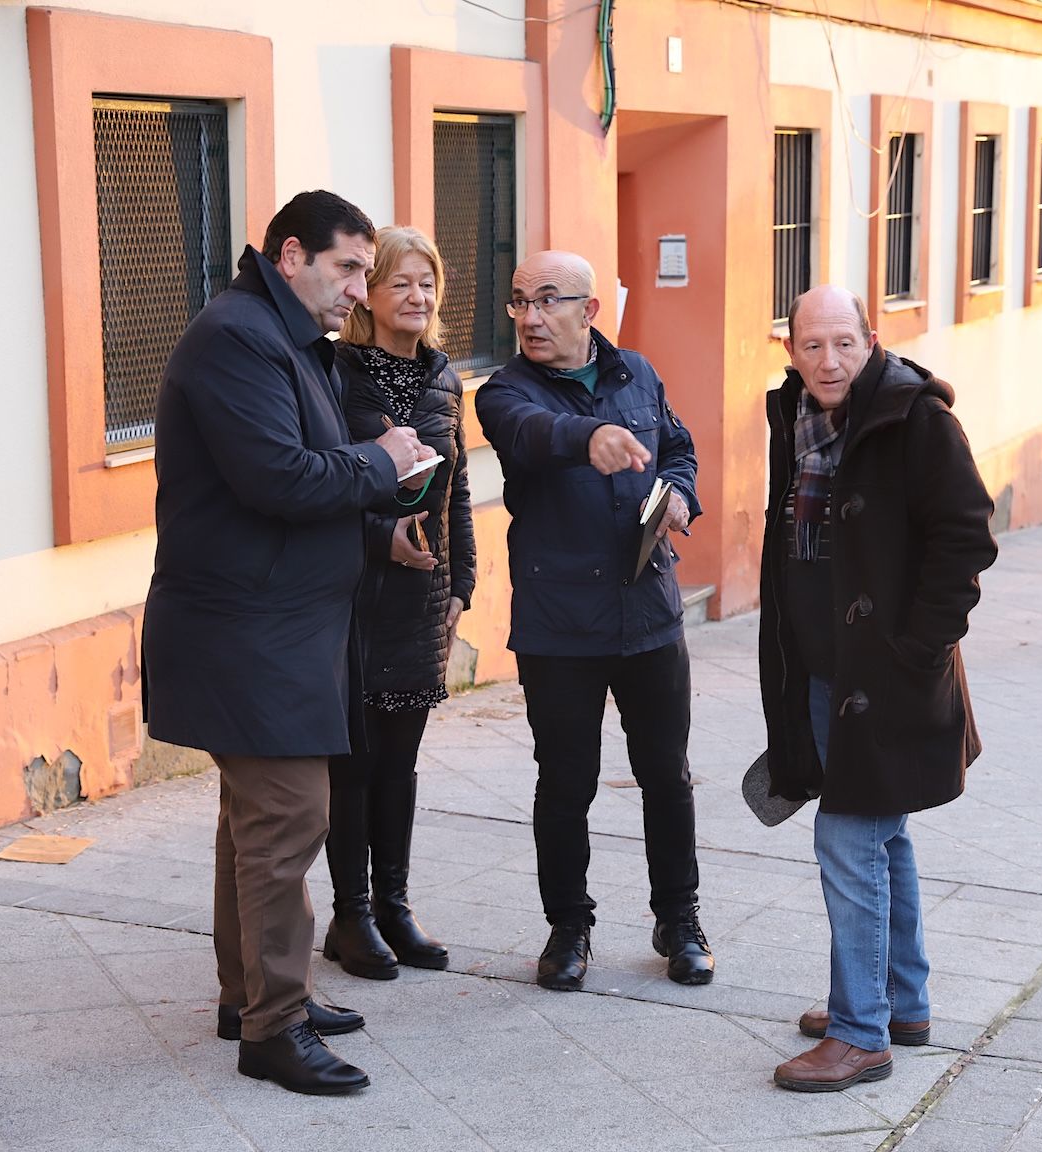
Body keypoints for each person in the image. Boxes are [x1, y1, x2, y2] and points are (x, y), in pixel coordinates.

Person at [142, 191, 434, 1095]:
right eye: (349, 268)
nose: (361, 286)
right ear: (292, 253)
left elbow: (294, 477)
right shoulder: (239, 336)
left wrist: (374, 527)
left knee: (254, 823)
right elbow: (276, 477)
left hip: (280, 624)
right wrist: (381, 463)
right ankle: (272, 1029)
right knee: (290, 821)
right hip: (247, 630)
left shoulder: (286, 337)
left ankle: (255, 995)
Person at [759, 285, 998, 1092]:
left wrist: (917, 648)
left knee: (850, 837)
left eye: (843, 344)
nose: (828, 361)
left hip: (890, 676)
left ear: (871, 340)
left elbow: (966, 535)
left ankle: (861, 1034)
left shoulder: (916, 418)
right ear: (790, 349)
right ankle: (900, 1001)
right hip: (827, 672)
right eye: (811, 345)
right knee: (882, 835)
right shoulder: (793, 417)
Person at [473, 251, 712, 992]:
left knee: (666, 776)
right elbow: (529, 434)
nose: (530, 317)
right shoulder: (505, 391)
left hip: (648, 614)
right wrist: (590, 439)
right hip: (559, 625)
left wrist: (677, 494)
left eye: (548, 301)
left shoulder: (638, 372)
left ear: (590, 310)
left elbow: (678, 448)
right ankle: (568, 927)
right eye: (518, 302)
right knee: (565, 781)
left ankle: (680, 919)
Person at [322, 227, 475, 981]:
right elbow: (324, 485)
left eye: (427, 284)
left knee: (401, 764)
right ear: (370, 297)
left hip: (420, 597)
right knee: (352, 760)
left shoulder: (446, 379)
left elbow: (459, 493)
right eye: (400, 284)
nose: (417, 298)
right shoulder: (339, 374)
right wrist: (383, 539)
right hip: (354, 594)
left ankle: (393, 906)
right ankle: (348, 915)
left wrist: (462, 585)